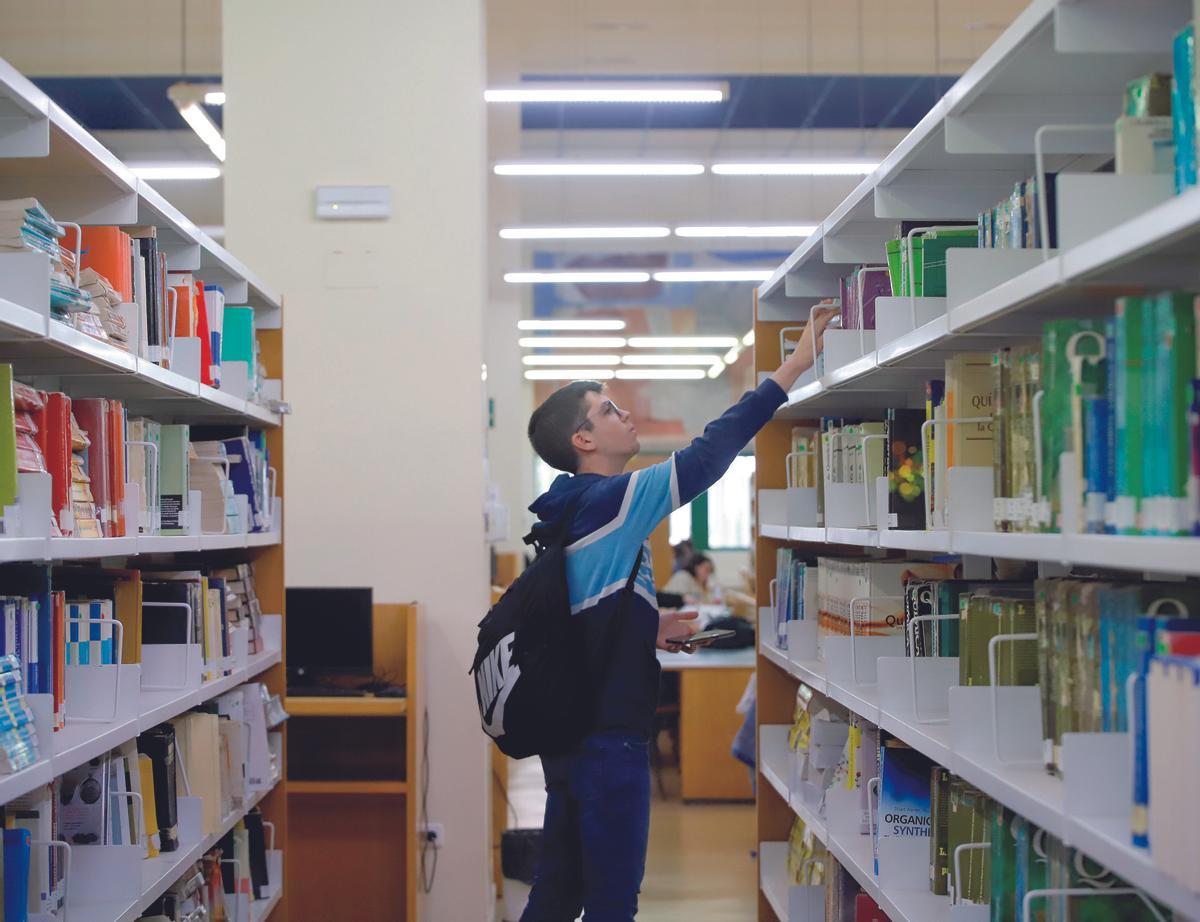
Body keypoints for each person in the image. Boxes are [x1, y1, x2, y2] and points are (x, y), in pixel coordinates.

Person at [519, 309, 835, 922]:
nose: (625, 413)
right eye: (608, 410)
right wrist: (794, 364)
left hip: (571, 732)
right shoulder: (609, 499)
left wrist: (647, 625)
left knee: (558, 890)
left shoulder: (572, 507)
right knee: (612, 902)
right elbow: (709, 454)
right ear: (583, 441)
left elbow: (584, 606)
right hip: (607, 738)